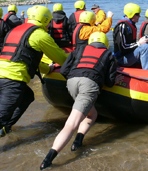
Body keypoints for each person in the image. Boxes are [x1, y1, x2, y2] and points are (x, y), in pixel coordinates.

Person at [0, 5, 68, 166]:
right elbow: (62, 58)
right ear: (46, 20)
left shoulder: (17, 30)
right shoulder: (40, 35)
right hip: (11, 79)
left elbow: (28, 58)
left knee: (27, 97)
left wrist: (47, 68)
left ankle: (5, 128)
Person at [40, 32, 117, 170]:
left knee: (92, 114)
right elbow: (110, 83)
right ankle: (47, 160)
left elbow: (64, 70)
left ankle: (78, 141)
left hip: (71, 82)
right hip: (89, 85)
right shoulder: (109, 55)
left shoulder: (79, 49)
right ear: (105, 44)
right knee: (71, 124)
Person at [113, 3, 148, 70]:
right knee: (144, 47)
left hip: (129, 54)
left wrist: (140, 42)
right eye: (137, 14)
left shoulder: (132, 25)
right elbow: (123, 47)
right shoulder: (122, 26)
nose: (139, 16)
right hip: (121, 58)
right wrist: (139, 43)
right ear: (131, 14)